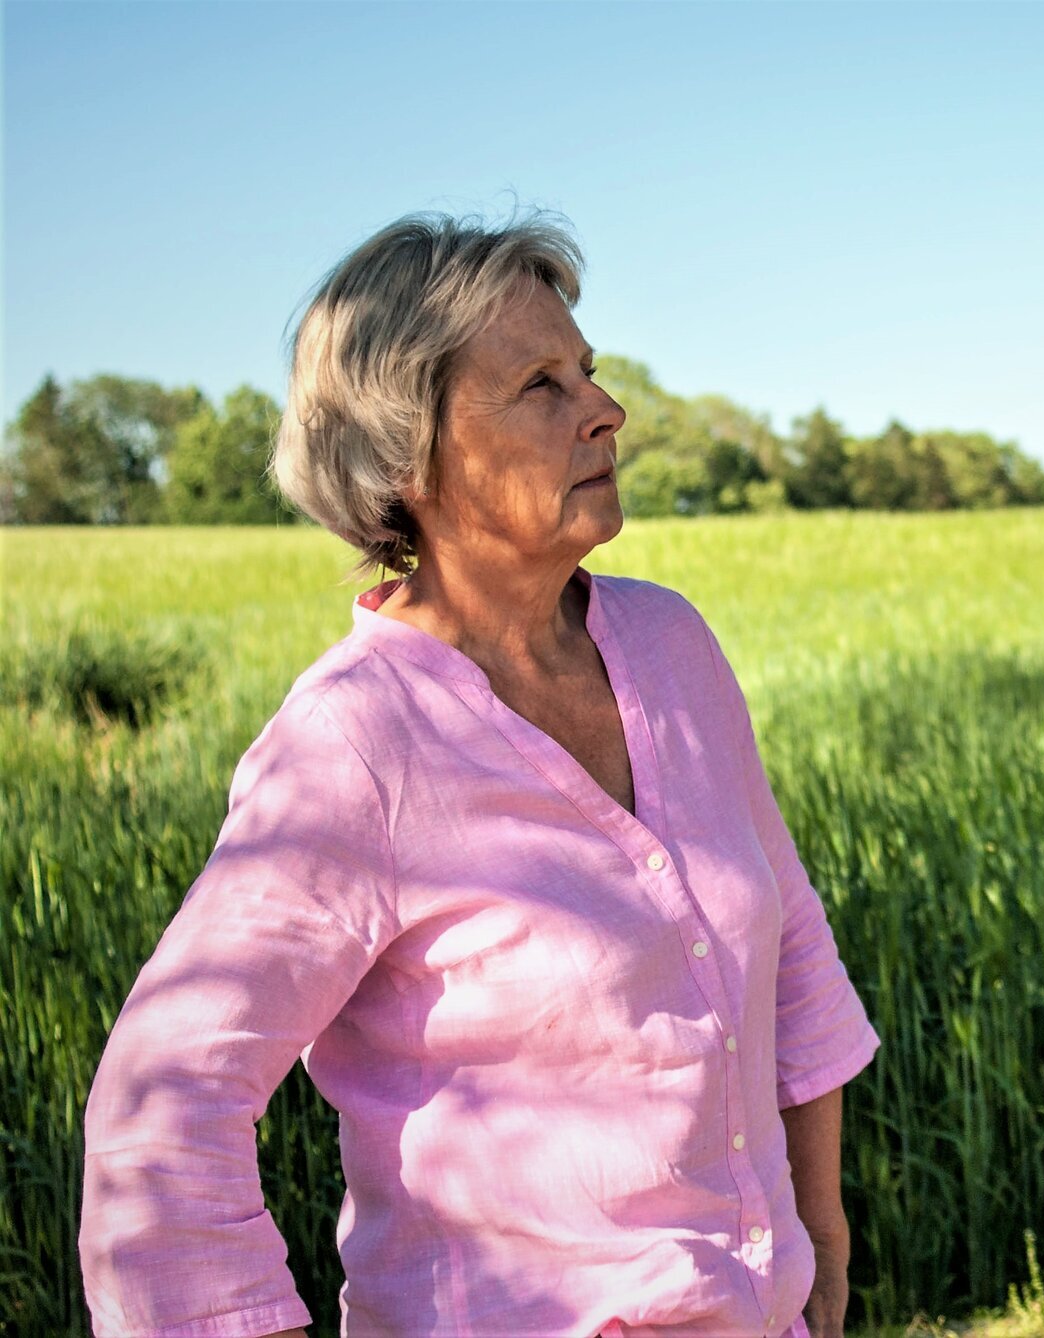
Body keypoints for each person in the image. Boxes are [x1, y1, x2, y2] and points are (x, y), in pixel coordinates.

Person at [78, 209, 880, 1338]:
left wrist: (821, 1232)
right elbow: (162, 1105)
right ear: (410, 457)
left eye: (586, 371)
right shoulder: (356, 743)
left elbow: (787, 934)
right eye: (541, 386)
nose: (605, 408)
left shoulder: (671, 646)